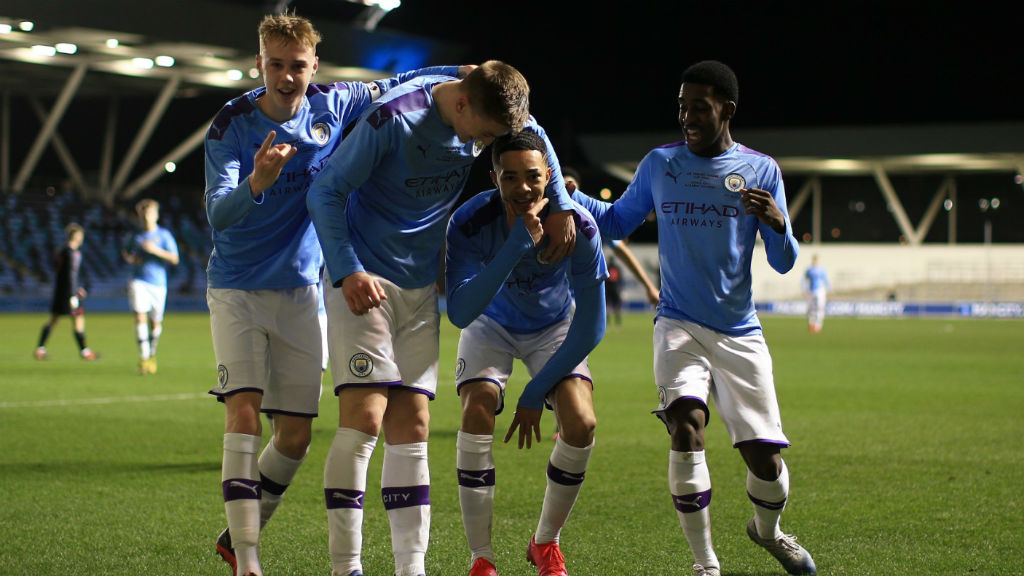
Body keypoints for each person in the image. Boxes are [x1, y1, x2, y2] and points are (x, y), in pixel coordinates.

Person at [203, 12, 466, 576]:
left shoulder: (334, 103)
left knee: (295, 437)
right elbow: (218, 215)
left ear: (314, 66)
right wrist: (257, 184)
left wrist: (462, 73)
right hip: (238, 288)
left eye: (297, 66)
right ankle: (247, 560)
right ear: (260, 64)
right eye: (275, 65)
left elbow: (404, 80)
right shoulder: (230, 127)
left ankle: (237, 534)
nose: (287, 76)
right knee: (245, 413)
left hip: (302, 290)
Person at [307, 60, 578, 576]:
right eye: (482, 135)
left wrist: (561, 201)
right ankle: (347, 568)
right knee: (365, 419)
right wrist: (345, 271)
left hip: (419, 288)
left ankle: (412, 569)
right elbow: (324, 191)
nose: (481, 146)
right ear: (460, 104)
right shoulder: (394, 119)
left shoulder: (484, 100)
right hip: (365, 279)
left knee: (413, 421)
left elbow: (533, 131)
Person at [571, 61, 816, 576]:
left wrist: (778, 224)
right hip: (677, 323)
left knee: (766, 461)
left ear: (727, 109)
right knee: (686, 426)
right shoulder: (661, 164)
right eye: (682, 107)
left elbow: (784, 261)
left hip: (739, 331)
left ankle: (766, 531)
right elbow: (616, 221)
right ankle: (707, 565)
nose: (687, 117)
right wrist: (567, 193)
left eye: (698, 107)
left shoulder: (761, 170)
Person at [446, 131, 607, 576]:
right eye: (510, 177)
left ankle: (545, 542)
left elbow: (592, 326)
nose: (522, 188)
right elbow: (460, 312)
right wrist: (516, 245)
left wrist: (535, 393)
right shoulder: (469, 221)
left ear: (548, 176)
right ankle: (482, 558)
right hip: (490, 323)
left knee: (581, 422)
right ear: (494, 177)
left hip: (552, 327)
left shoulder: (579, 227)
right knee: (477, 408)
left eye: (533, 177)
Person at [563, 168, 660, 312]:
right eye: (562, 187)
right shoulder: (541, 217)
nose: (567, 191)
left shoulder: (589, 219)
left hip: (578, 298)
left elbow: (622, 251)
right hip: (549, 297)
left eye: (570, 187)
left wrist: (649, 287)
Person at [122, 198, 179, 375]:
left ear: (156, 215)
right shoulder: (135, 236)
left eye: (149, 213)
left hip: (158, 284)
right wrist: (133, 259)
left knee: (155, 323)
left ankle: (152, 353)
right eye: (143, 213)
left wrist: (155, 251)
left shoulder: (164, 235)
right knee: (139, 317)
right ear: (140, 216)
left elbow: (175, 259)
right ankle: (144, 357)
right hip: (138, 280)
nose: (146, 217)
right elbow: (126, 253)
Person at [34, 223, 97, 361]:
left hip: (63, 292)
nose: (82, 238)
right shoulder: (70, 253)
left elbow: (65, 274)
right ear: (76, 236)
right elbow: (68, 275)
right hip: (68, 294)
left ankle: (40, 349)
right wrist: (73, 293)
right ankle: (85, 352)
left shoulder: (63, 252)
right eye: (80, 235)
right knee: (77, 319)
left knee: (55, 319)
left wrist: (75, 288)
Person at [802, 255, 829, 333]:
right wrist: (805, 289)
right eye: (814, 260)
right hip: (811, 291)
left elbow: (825, 281)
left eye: (816, 260)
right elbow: (805, 280)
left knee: (820, 307)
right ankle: (811, 324)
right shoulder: (809, 270)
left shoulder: (822, 270)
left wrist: (828, 290)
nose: (815, 261)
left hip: (820, 290)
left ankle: (818, 325)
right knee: (812, 308)